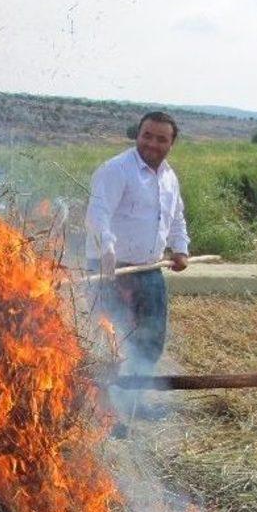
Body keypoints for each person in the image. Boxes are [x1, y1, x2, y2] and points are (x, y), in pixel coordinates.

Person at [85, 111, 190, 369]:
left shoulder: (169, 178)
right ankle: (106, 406)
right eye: (147, 136)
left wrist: (180, 249)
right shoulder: (116, 169)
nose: (152, 144)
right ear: (138, 135)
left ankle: (134, 400)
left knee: (150, 342)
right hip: (111, 271)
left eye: (161, 139)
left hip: (149, 270)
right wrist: (106, 247)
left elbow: (176, 218)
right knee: (111, 342)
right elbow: (98, 213)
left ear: (171, 144)